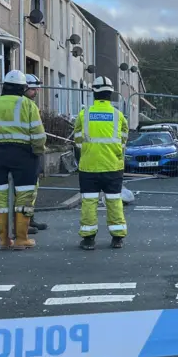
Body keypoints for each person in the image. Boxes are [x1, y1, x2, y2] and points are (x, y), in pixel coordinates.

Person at [0, 70, 47, 251]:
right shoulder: (28, 106)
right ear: (23, 88)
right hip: (23, 155)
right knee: (24, 197)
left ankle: (4, 241)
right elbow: (38, 135)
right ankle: (21, 239)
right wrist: (37, 152)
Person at [73, 76, 129, 250]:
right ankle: (117, 238)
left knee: (89, 202)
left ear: (94, 93)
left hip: (89, 166)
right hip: (113, 166)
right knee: (114, 201)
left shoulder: (84, 115)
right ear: (111, 93)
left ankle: (89, 239)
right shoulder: (118, 116)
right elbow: (123, 141)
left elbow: (77, 141)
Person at [24, 74, 48, 235]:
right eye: (33, 89)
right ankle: (22, 222)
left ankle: (28, 219)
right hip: (26, 152)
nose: (36, 92)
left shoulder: (29, 104)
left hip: (29, 152)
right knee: (25, 190)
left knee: (32, 189)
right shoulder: (25, 105)